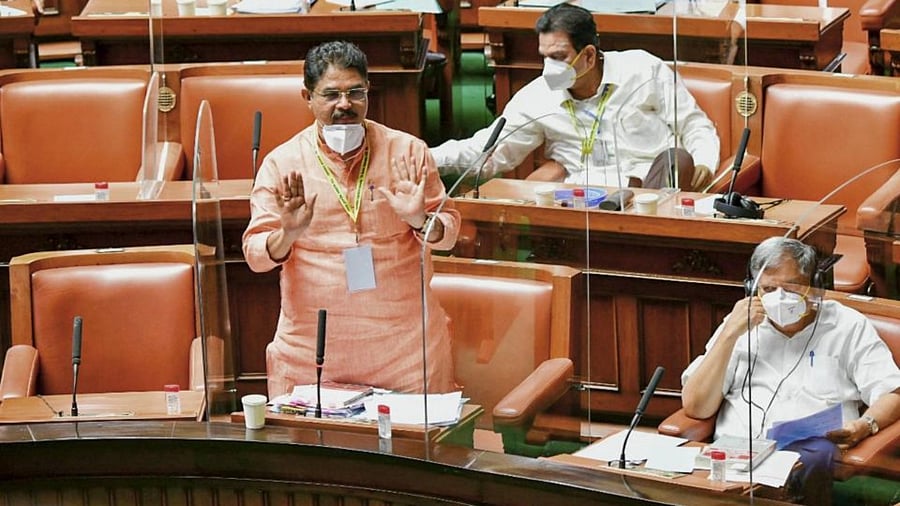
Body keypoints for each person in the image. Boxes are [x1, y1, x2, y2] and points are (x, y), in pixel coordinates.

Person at [242, 40, 461, 399]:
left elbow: (449, 233)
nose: (345, 105)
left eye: (355, 92)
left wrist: (421, 219)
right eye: (331, 95)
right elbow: (255, 255)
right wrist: (287, 233)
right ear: (307, 97)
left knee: (410, 451)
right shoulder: (283, 163)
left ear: (368, 92)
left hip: (403, 344)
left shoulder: (407, 152)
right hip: (314, 344)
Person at [681, 237, 900, 505]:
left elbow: (892, 392)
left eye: (792, 287)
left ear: (815, 286)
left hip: (806, 456)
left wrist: (863, 426)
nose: (780, 298)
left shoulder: (847, 325)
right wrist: (729, 335)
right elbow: (696, 407)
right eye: (769, 288)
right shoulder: (738, 326)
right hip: (736, 454)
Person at [431, 3, 719, 191]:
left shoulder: (643, 69)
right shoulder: (537, 97)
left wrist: (704, 163)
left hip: (649, 190)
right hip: (581, 196)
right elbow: (487, 152)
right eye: (544, 56)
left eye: (559, 57)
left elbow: (695, 126)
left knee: (677, 159)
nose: (549, 67)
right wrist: (424, 156)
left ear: (589, 55)